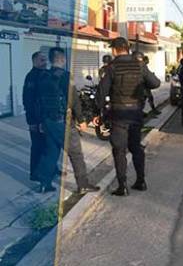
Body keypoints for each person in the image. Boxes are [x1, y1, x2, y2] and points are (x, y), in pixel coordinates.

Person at [97, 37, 160, 196]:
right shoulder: (139, 65)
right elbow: (156, 83)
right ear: (128, 48)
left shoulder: (112, 67)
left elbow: (101, 93)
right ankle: (141, 181)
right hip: (136, 114)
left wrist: (97, 113)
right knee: (135, 147)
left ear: (115, 50)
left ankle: (122, 186)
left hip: (118, 115)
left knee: (119, 150)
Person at [35, 47, 99, 195]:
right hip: (63, 122)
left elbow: (37, 101)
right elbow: (74, 100)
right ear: (62, 59)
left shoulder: (43, 76)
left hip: (48, 121)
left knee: (50, 153)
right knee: (76, 154)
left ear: (51, 60)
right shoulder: (65, 76)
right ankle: (83, 185)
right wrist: (82, 120)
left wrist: (40, 122)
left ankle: (44, 184)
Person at [23, 51, 47, 182]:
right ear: (35, 61)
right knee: (37, 146)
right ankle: (35, 173)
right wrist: (31, 120)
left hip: (47, 118)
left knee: (49, 146)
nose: (45, 62)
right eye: (42, 60)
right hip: (36, 119)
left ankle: (52, 169)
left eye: (45, 59)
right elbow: (27, 100)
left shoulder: (45, 74)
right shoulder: (31, 77)